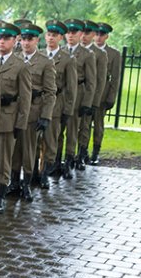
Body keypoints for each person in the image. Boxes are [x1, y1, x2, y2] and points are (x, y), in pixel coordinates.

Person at [0, 22, 31, 214]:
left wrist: (21, 123)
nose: (2, 41)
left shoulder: (21, 66)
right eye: (0, 37)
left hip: (8, 119)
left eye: (6, 38)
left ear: (15, 41)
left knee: (4, 159)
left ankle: (0, 196)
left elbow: (25, 98)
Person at [10, 24, 56, 199]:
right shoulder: (14, 58)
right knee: (14, 149)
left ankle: (27, 184)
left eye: (30, 39)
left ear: (37, 40)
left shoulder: (45, 62)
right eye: (23, 39)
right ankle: (14, 182)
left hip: (33, 111)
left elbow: (50, 92)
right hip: (14, 111)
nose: (26, 42)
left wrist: (45, 116)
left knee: (29, 150)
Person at [43, 20, 78, 182]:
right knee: (36, 141)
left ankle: (50, 168)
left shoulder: (67, 60)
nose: (51, 38)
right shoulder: (39, 56)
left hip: (57, 105)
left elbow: (71, 88)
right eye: (49, 35)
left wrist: (68, 110)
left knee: (53, 138)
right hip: (38, 104)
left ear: (60, 38)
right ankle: (37, 171)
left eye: (54, 36)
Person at [63, 19, 97, 174]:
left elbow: (91, 81)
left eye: (74, 32)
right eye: (68, 32)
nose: (70, 35)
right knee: (56, 129)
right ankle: (56, 160)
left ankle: (70, 159)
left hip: (77, 94)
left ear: (81, 34)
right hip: (60, 94)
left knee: (72, 129)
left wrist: (87, 103)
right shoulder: (61, 51)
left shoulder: (87, 54)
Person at [91, 22, 122, 163]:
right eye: (96, 34)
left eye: (101, 35)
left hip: (102, 94)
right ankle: (81, 152)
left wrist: (111, 97)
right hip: (86, 93)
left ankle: (96, 152)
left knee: (98, 124)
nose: (98, 37)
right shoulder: (87, 51)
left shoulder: (114, 54)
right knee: (82, 125)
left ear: (106, 36)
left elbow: (115, 78)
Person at [80, 21, 107, 169]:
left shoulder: (99, 54)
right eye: (82, 32)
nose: (84, 36)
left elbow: (100, 80)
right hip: (75, 95)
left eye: (88, 33)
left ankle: (85, 152)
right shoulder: (74, 51)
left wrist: (95, 102)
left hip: (91, 96)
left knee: (87, 126)